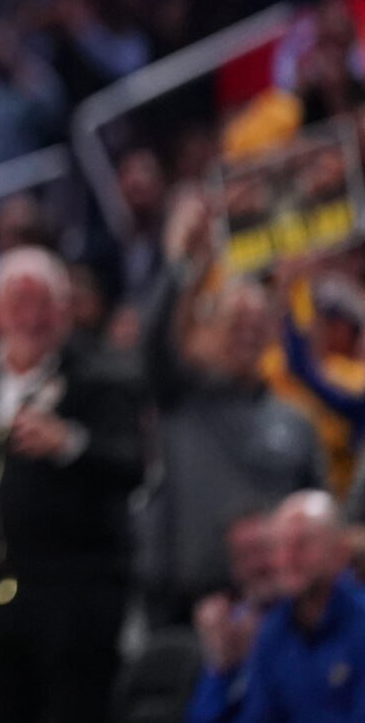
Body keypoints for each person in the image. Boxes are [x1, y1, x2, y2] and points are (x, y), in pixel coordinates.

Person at [0, 247, 145, 723]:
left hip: (78, 599)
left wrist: (69, 443)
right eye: (18, 303)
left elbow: (134, 467)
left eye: (44, 303)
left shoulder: (102, 375)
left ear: (66, 309)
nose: (31, 318)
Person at [139, 261, 321, 625]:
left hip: (278, 607)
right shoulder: (180, 397)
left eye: (257, 324)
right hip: (187, 605)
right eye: (236, 323)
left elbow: (318, 508)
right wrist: (184, 266)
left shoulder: (296, 422)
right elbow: (154, 341)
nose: (247, 334)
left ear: (272, 333)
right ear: (207, 330)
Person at [218, 490, 365, 720]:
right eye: (279, 545)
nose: (288, 557)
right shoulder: (272, 631)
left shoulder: (359, 623)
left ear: (340, 553)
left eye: (302, 544)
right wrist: (221, 668)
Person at [186, 512, 282, 723]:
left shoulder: (305, 620)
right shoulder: (230, 624)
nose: (256, 565)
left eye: (263, 550)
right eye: (243, 556)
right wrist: (222, 667)